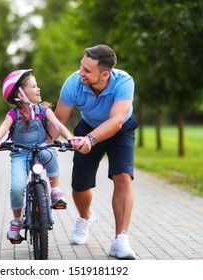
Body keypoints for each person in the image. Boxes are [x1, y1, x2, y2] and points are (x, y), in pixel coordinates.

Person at [48, 44, 138, 259]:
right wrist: (43, 147)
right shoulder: (73, 83)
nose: (81, 73)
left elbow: (117, 120)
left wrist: (91, 139)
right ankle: (85, 217)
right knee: (80, 185)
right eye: (81, 66)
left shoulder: (124, 82)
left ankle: (120, 240)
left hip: (120, 130)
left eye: (88, 70)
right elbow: (57, 120)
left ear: (105, 74)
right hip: (87, 128)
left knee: (123, 176)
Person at [0, 69, 75, 242]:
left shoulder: (44, 111)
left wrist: (71, 139)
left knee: (50, 152)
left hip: (40, 149)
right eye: (33, 86)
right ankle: (17, 220)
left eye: (37, 86)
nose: (38, 89)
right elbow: (3, 129)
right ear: (20, 95)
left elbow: (58, 126)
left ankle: (55, 192)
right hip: (20, 154)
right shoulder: (13, 115)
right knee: (17, 188)